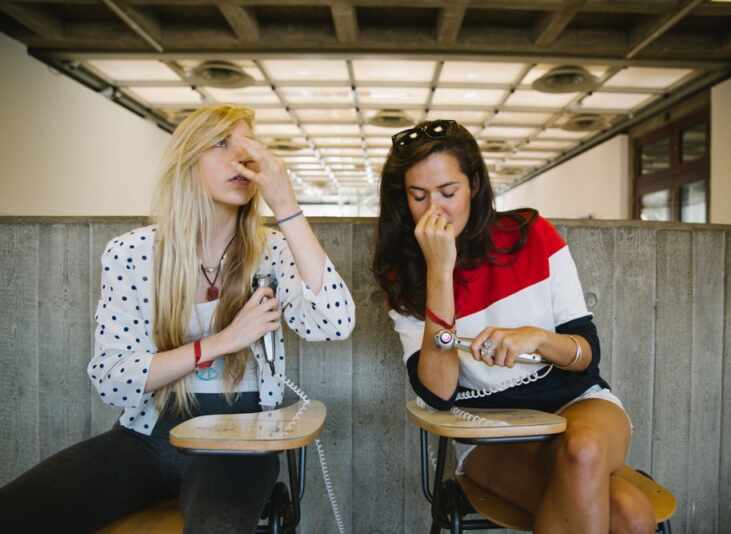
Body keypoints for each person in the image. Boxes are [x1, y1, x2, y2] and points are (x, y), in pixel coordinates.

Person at [0, 104, 355, 533]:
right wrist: (222, 341)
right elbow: (113, 378)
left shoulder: (274, 249)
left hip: (239, 446)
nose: (241, 158)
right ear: (187, 160)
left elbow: (335, 322)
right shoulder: (132, 253)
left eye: (247, 147)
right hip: (148, 438)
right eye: (222, 144)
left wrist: (287, 206)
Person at [373, 119, 656, 534]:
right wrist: (439, 270)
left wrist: (539, 339)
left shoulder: (533, 236)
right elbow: (438, 391)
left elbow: (585, 355)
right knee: (629, 515)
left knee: (583, 451)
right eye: (419, 197)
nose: (435, 209)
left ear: (474, 185)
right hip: (489, 434)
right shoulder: (406, 275)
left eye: (448, 193)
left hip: (578, 406)